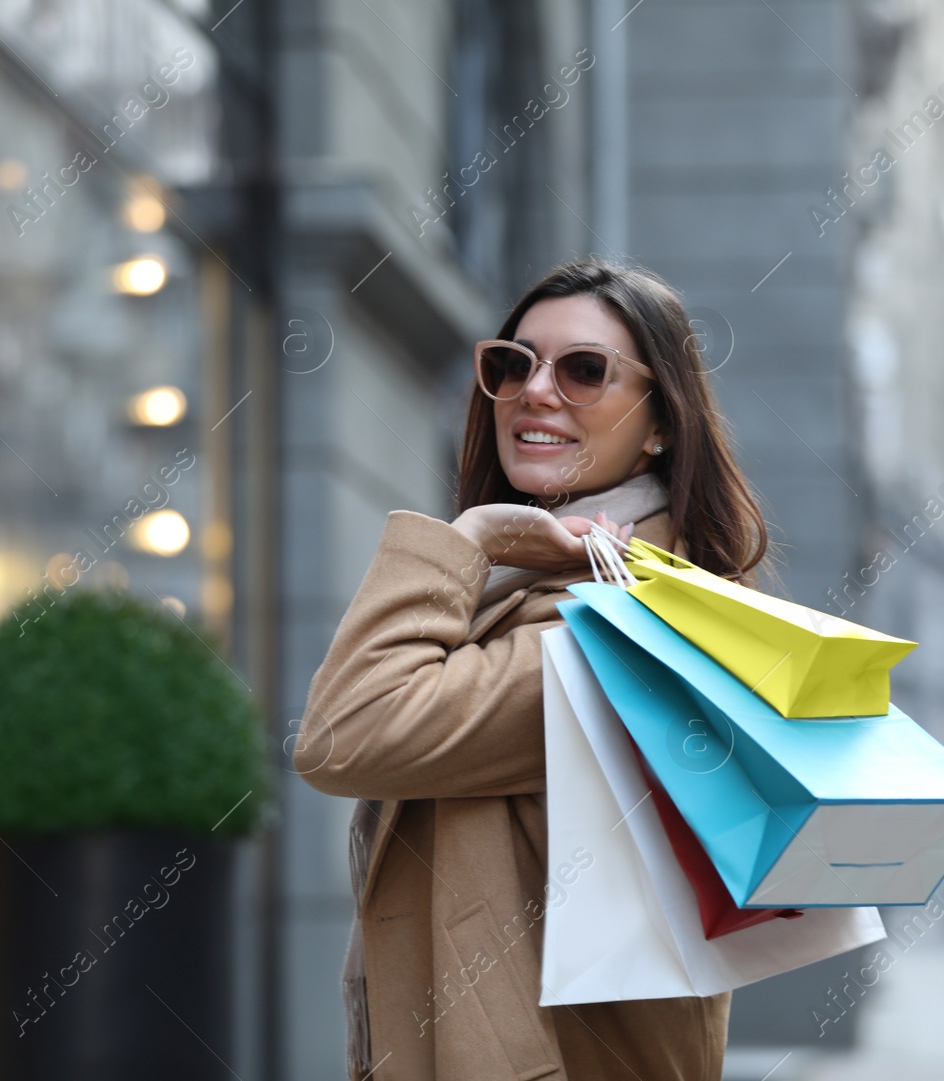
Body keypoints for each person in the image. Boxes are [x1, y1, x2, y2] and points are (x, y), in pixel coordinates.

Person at [294, 257, 772, 1080]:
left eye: (585, 370)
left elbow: (344, 733)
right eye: (513, 364)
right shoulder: (543, 594)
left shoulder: (623, 631)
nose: (534, 390)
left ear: (661, 421)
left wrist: (470, 536)